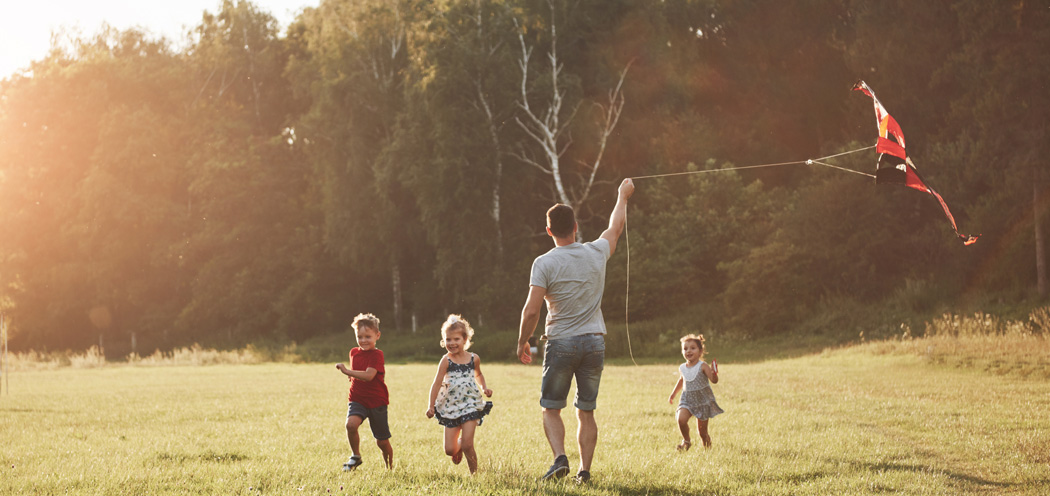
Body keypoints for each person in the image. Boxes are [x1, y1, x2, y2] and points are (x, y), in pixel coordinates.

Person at [516, 178, 635, 484]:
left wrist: (523, 342)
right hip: (595, 342)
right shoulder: (595, 252)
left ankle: (559, 459)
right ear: (576, 226)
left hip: (562, 343)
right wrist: (622, 196)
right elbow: (615, 228)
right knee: (586, 410)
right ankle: (584, 472)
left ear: (549, 230)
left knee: (551, 408)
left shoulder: (543, 262)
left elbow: (532, 309)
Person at [425, 315, 494, 474]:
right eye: (448, 339)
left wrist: (484, 388)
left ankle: (474, 475)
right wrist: (431, 406)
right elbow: (436, 383)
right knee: (449, 450)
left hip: (470, 404)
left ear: (465, 339)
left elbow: (478, 375)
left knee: (469, 444)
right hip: (451, 407)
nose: (452, 343)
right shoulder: (446, 361)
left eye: (456, 339)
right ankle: (460, 446)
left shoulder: (473, 358)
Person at [336, 313, 394, 470]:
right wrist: (351, 376)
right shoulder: (353, 352)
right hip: (357, 398)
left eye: (367, 336)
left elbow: (369, 376)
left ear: (377, 335)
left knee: (382, 441)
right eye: (359, 336)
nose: (363, 340)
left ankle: (389, 468)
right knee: (350, 425)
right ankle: (356, 456)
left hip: (377, 401)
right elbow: (357, 370)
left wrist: (347, 372)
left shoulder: (377, 355)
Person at [667, 334, 723, 450]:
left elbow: (714, 380)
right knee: (681, 419)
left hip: (702, 401)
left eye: (693, 348)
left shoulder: (702, 366)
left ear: (700, 351)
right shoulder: (682, 367)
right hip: (687, 399)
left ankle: (708, 450)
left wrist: (714, 374)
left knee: (702, 432)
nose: (688, 351)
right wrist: (673, 394)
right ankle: (686, 441)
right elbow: (682, 380)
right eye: (685, 348)